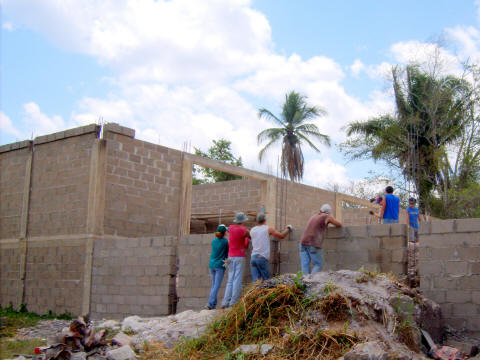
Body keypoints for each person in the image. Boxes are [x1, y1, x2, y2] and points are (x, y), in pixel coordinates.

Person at [300, 204, 342, 274]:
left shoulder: (313, 216)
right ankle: (311, 281)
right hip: (313, 243)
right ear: (329, 212)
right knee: (318, 264)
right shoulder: (327, 216)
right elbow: (339, 224)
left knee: (305, 265)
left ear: (320, 210)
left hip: (302, 243)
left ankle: (304, 282)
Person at [250, 213, 292, 282]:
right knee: (266, 282)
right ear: (265, 220)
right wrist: (288, 228)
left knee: (256, 282)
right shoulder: (268, 229)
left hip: (253, 257)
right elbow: (281, 236)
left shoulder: (252, 230)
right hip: (262, 257)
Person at [221, 212, 250, 308]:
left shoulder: (231, 228)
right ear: (243, 221)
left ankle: (225, 302)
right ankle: (233, 301)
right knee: (237, 279)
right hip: (239, 256)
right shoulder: (244, 230)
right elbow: (247, 241)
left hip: (230, 256)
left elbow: (225, 230)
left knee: (230, 279)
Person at [206, 224, 229, 310]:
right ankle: (210, 303)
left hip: (211, 265)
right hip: (219, 265)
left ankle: (213, 304)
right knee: (216, 285)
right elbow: (227, 253)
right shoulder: (225, 242)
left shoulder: (214, 241)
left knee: (213, 285)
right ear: (224, 233)